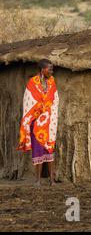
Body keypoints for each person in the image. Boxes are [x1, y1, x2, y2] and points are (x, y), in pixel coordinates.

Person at [18, 59, 59, 187]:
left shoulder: (52, 82)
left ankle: (52, 180)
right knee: (38, 150)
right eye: (50, 69)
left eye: (52, 69)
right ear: (43, 70)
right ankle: (38, 180)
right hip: (36, 123)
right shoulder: (32, 83)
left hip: (49, 122)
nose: (52, 71)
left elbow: (55, 99)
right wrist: (40, 109)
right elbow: (28, 101)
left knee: (50, 149)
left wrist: (49, 110)